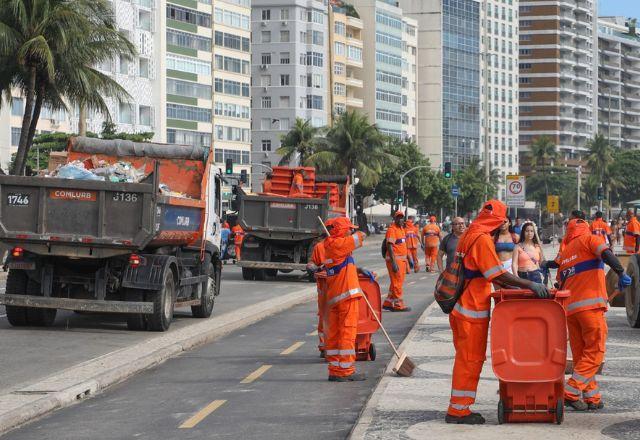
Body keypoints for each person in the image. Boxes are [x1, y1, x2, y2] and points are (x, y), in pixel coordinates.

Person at [446, 200, 551, 425]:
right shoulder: (481, 239)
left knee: (466, 359)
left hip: (462, 308)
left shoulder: (470, 234)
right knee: (470, 360)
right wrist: (528, 285)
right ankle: (458, 411)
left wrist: (514, 287)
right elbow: (497, 275)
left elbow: (482, 272)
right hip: (471, 310)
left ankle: (459, 406)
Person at [542, 219, 631, 411]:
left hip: (570, 312)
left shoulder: (565, 254)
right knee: (596, 353)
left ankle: (592, 397)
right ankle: (571, 391)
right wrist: (621, 272)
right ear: (585, 228)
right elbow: (606, 253)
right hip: (590, 309)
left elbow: (560, 283)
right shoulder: (590, 239)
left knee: (583, 356)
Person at [323, 217, 368, 381]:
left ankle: (335, 369)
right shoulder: (339, 244)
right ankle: (346, 371)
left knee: (334, 335)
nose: (351, 231)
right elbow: (362, 235)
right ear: (342, 230)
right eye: (349, 228)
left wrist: (358, 270)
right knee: (347, 334)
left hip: (335, 297)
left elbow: (342, 267)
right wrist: (358, 232)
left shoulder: (328, 246)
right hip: (347, 296)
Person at [307, 229, 329, 357]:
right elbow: (311, 264)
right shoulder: (319, 247)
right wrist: (314, 268)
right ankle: (324, 346)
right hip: (325, 285)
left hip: (338, 285)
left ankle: (330, 345)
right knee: (324, 316)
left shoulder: (342, 245)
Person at [384, 211, 411, 312]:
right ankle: (398, 305)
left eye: (402, 218)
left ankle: (388, 302)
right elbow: (389, 246)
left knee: (396, 282)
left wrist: (408, 260)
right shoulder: (392, 230)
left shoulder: (401, 229)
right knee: (397, 283)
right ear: (395, 219)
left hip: (402, 261)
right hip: (395, 261)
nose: (401, 220)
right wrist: (394, 262)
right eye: (398, 218)